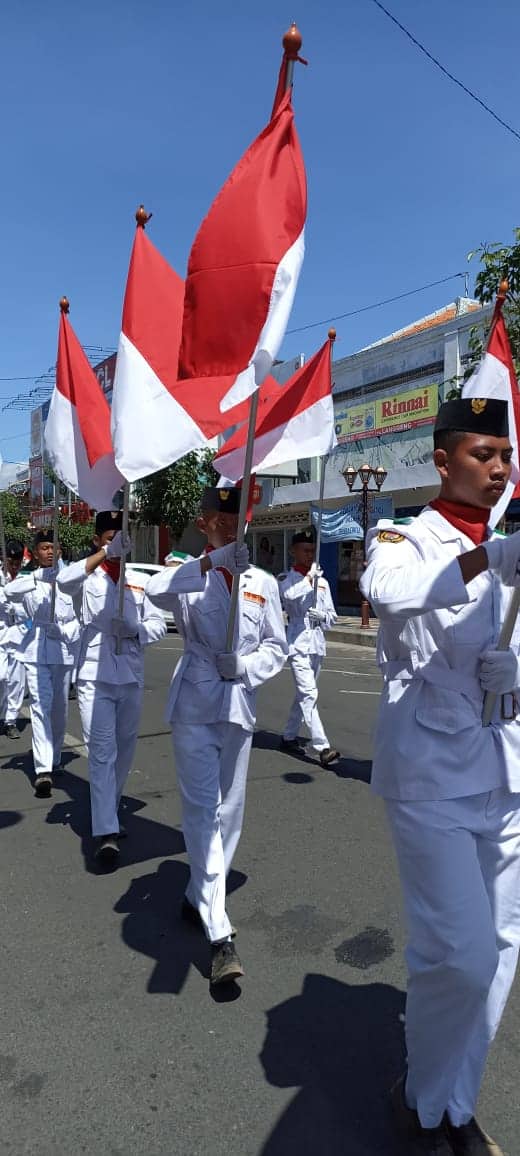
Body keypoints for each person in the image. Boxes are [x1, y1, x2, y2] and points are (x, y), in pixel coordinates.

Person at [360, 397, 520, 1156]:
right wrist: (486, 558)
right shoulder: (404, 535)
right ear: (443, 459)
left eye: (505, 455)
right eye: (483, 454)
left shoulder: (512, 543)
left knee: (503, 944)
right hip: (428, 769)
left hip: (505, 766)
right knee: (458, 954)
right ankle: (422, 1096)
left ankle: (453, 1102)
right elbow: (388, 593)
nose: (499, 468)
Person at [146, 486, 288, 987]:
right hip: (194, 703)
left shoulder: (262, 582)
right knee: (202, 810)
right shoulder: (188, 571)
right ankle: (220, 934)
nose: (231, 530)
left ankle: (197, 897)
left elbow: (277, 645)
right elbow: (157, 591)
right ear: (205, 524)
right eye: (220, 523)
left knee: (230, 810)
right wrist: (210, 564)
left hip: (238, 703)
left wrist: (247, 665)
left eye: (237, 522)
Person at [56, 511, 167, 865]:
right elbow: (64, 581)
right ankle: (106, 829)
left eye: (122, 540)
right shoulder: (87, 577)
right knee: (102, 750)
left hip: (130, 674)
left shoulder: (136, 581)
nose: (119, 545)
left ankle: (110, 810)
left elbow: (158, 626)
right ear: (97, 541)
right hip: (94, 674)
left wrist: (134, 629)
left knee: (124, 750)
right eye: (109, 539)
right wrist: (105, 554)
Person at [5, 529, 80, 796]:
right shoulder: (29, 579)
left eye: (53, 547)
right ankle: (42, 769)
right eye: (44, 547)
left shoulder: (71, 579)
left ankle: (55, 757)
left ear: (59, 551)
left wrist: (68, 631)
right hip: (36, 650)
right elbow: (10, 593)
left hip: (63, 650)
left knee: (59, 708)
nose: (50, 551)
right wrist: (39, 578)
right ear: (35, 553)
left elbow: (78, 616)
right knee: (40, 705)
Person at [278, 528, 339, 767]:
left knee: (304, 693)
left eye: (312, 550)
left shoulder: (322, 582)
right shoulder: (287, 578)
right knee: (309, 693)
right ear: (293, 551)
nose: (309, 554)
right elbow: (290, 596)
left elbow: (333, 616)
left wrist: (322, 615)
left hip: (317, 645)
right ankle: (322, 746)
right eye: (304, 550)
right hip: (297, 644)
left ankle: (289, 735)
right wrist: (308, 579)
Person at [0, 539, 28, 738]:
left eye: (17, 562)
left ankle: (10, 720)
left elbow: (33, 610)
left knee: (17, 681)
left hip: (19, 635)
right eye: (11, 561)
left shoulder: (26, 579)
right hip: (0, 633)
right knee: (1, 677)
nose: (14, 565)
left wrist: (17, 610)